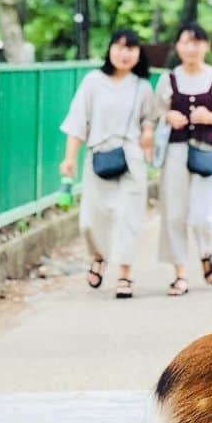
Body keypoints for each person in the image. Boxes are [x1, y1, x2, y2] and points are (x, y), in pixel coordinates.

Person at [59, 29, 155, 300]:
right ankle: (98, 257)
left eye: (131, 49)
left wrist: (148, 131)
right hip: (98, 156)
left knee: (128, 217)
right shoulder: (92, 82)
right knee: (91, 219)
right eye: (119, 47)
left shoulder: (142, 87)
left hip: (131, 158)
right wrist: (69, 158)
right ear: (110, 49)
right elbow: (78, 121)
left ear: (138, 54)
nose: (124, 54)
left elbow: (149, 118)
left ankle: (124, 274)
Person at [152, 22, 212, 296]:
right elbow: (156, 113)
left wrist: (210, 117)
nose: (191, 48)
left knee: (201, 215)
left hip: (205, 151)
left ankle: (206, 251)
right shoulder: (168, 79)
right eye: (185, 43)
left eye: (197, 42)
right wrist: (168, 117)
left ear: (206, 46)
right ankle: (179, 274)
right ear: (177, 47)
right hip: (175, 152)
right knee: (174, 214)